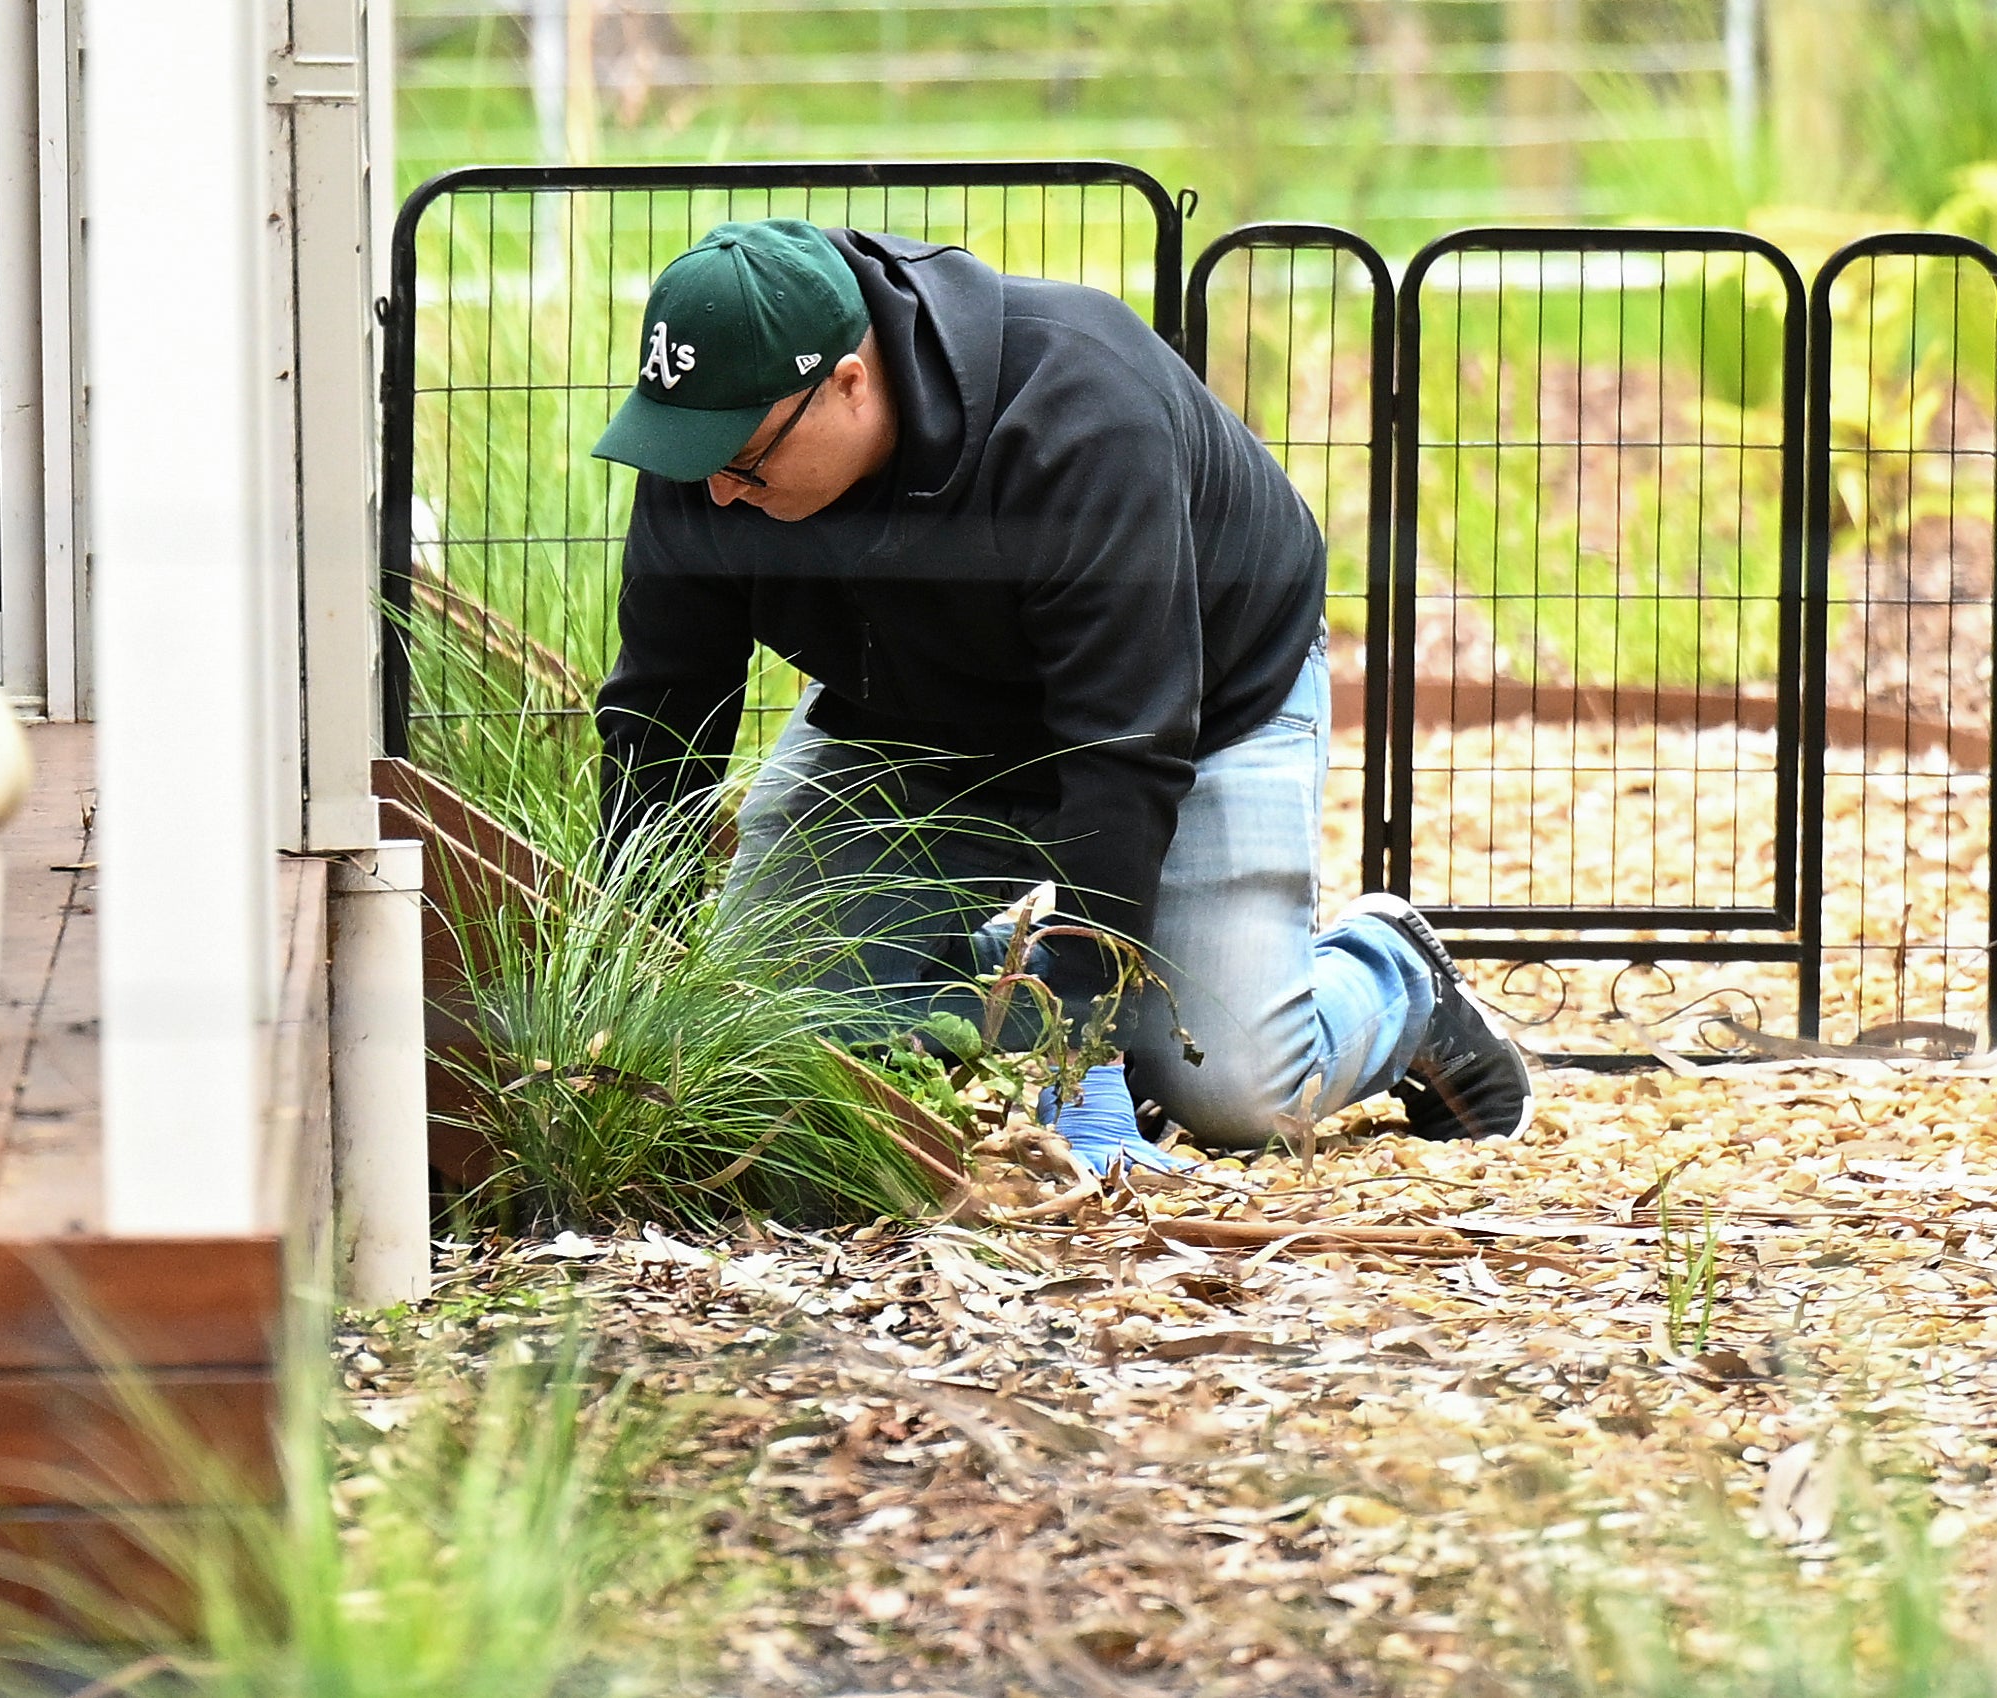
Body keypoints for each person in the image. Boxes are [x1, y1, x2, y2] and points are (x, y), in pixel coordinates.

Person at [587, 216, 1531, 1168]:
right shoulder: (717, 448)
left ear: (848, 382)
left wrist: (1085, 1059)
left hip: (1198, 706)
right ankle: (1024, 973)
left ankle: (1396, 977)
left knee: (1233, 1093)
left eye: (742, 460)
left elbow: (1122, 749)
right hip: (909, 716)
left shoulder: (1079, 412)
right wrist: (632, 970)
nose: (711, 493)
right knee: (780, 1038)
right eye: (691, 455)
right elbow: (663, 708)